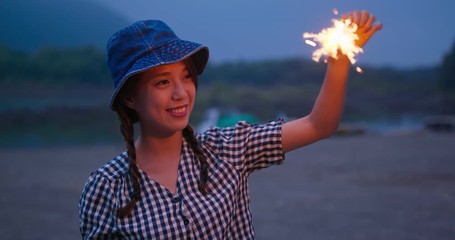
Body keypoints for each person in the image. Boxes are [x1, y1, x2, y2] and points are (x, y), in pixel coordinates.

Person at [79, 10, 382, 239]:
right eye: (162, 82)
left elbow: (319, 125)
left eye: (186, 77)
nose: (181, 93)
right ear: (130, 98)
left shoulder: (227, 149)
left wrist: (340, 57)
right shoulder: (106, 187)